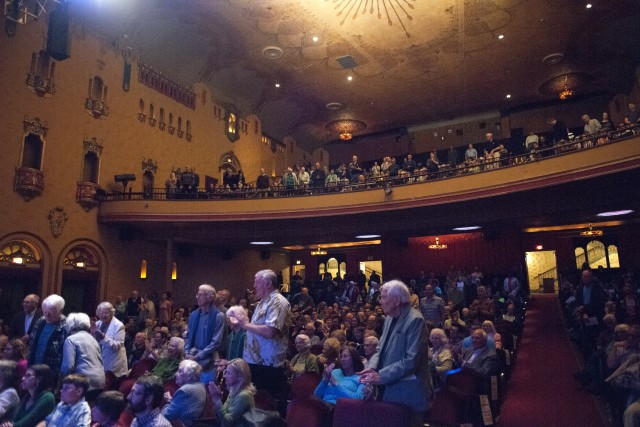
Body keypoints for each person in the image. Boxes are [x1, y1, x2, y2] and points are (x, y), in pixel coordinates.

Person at [359, 280, 432, 427]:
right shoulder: (388, 318)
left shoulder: (415, 320)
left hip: (409, 394)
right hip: (389, 392)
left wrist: (381, 376)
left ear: (397, 300)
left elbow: (411, 361)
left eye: (384, 297)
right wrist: (372, 368)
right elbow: (380, 349)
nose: (380, 301)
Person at [232, 269, 291, 399]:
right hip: (256, 362)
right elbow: (257, 329)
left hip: (268, 365)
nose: (254, 286)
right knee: (254, 402)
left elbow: (270, 331)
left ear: (268, 283)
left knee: (266, 405)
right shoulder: (263, 302)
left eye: (257, 282)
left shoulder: (277, 302)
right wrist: (241, 325)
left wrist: (245, 325)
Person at [61, 313, 105, 398]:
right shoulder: (93, 339)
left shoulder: (71, 339)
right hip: (100, 381)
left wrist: (60, 384)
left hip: (82, 382)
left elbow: (68, 367)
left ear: (70, 325)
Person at [27, 294, 67, 385]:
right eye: (45, 312)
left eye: (51, 313)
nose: (47, 316)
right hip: (34, 369)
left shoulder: (66, 327)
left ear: (61, 311)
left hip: (51, 373)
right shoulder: (40, 321)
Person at [185, 284, 225, 370]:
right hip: (192, 355)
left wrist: (198, 356)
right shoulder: (193, 314)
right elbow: (188, 335)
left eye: (201, 295)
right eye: (197, 294)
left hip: (209, 358)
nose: (197, 297)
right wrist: (187, 352)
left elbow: (216, 342)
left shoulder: (218, 316)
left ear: (210, 298)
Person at [207, 359, 256, 427]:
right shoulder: (233, 391)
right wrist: (218, 401)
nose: (224, 376)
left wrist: (217, 401)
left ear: (239, 376)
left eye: (228, 373)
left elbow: (227, 423)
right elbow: (220, 419)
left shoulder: (244, 395)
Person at [161, 360, 207, 427]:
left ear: (190, 376)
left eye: (180, 371)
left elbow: (165, 416)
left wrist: (167, 403)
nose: (176, 374)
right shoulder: (200, 385)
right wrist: (171, 400)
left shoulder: (185, 390)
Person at [93, 302, 128, 381]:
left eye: (106, 313)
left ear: (112, 313)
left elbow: (117, 346)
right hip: (99, 362)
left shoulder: (119, 325)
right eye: (101, 312)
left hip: (114, 364)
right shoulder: (97, 324)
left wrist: (103, 337)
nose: (103, 315)